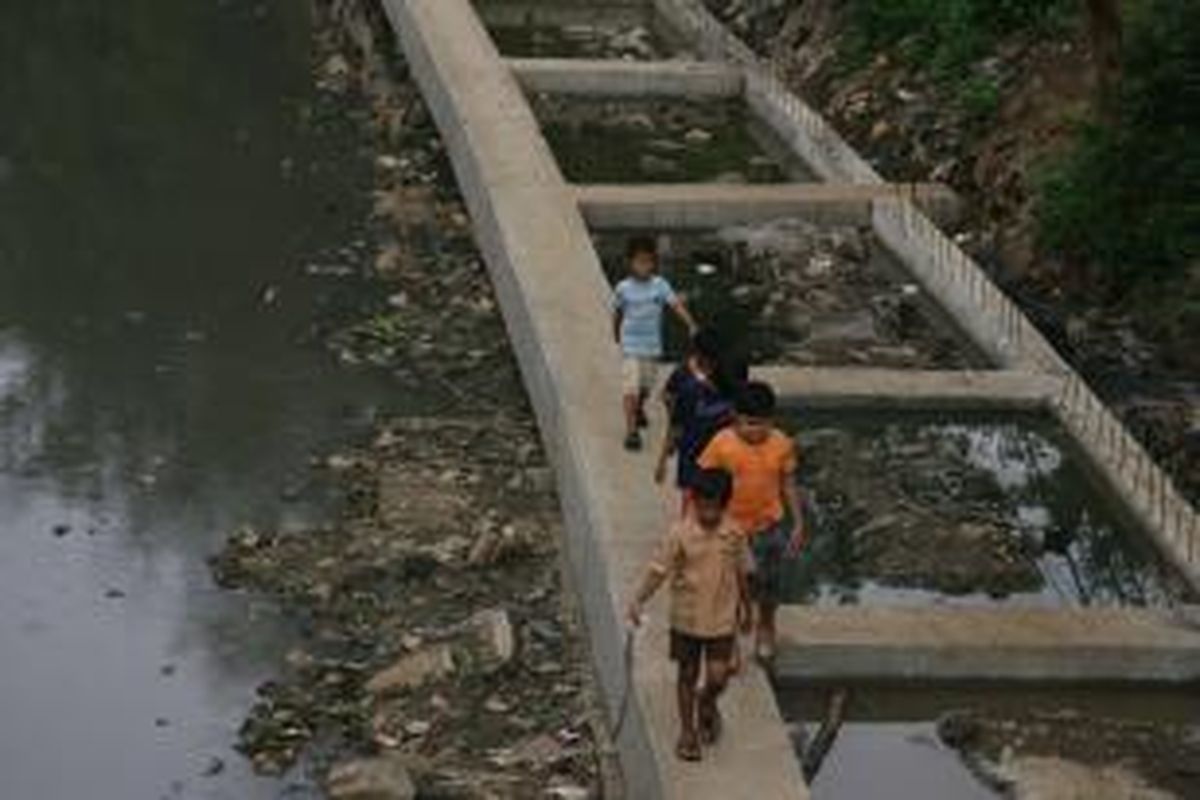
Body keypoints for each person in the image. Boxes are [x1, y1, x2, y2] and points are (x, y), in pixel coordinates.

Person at [627, 468, 752, 762]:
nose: (708, 513)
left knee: (720, 675)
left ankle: (706, 700)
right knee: (686, 674)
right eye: (703, 506)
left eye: (715, 507)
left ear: (725, 504)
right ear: (694, 502)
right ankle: (687, 732)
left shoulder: (734, 534)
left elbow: (743, 573)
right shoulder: (679, 534)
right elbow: (659, 570)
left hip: (721, 619)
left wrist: (748, 610)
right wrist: (639, 599)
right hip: (686, 619)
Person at [698, 381, 803, 663]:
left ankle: (766, 627)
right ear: (735, 418)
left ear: (772, 420)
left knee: (769, 586)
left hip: (769, 528)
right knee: (729, 588)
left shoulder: (782, 443)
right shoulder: (721, 444)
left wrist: (798, 523)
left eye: (761, 424)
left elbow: (789, 483)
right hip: (732, 531)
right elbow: (703, 487)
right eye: (748, 423)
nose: (754, 430)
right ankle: (729, 640)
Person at [612, 236, 697, 452]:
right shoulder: (623, 288)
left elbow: (675, 304)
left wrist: (691, 323)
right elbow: (617, 312)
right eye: (640, 262)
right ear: (630, 263)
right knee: (630, 387)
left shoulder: (660, 285)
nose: (644, 266)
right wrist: (616, 335)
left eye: (649, 261)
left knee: (646, 385)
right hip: (630, 345)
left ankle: (640, 406)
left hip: (651, 346)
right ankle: (631, 432)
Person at [654, 330, 745, 515]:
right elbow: (675, 421)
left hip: (720, 458)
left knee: (718, 500)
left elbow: (739, 422)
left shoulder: (732, 390)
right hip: (692, 454)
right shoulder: (688, 386)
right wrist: (663, 458)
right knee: (690, 499)